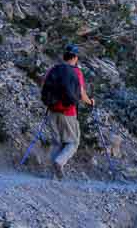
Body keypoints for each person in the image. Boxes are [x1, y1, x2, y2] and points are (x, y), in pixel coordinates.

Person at [40, 43, 94, 179]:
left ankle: (52, 176)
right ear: (75, 57)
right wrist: (91, 102)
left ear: (64, 56)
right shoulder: (76, 72)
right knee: (73, 142)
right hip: (68, 112)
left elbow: (44, 86)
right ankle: (59, 162)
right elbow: (81, 95)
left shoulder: (54, 69)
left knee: (57, 142)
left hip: (52, 110)